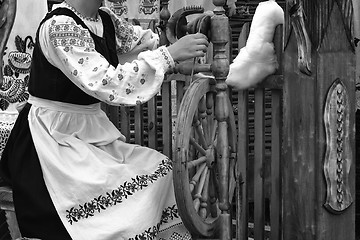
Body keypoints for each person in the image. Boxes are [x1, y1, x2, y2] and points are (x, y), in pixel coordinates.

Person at [0, 0, 209, 239]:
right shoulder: (60, 26)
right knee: (115, 207)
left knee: (161, 171)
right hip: (51, 142)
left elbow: (147, 44)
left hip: (91, 134)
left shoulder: (106, 20)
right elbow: (107, 81)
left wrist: (181, 44)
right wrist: (169, 55)